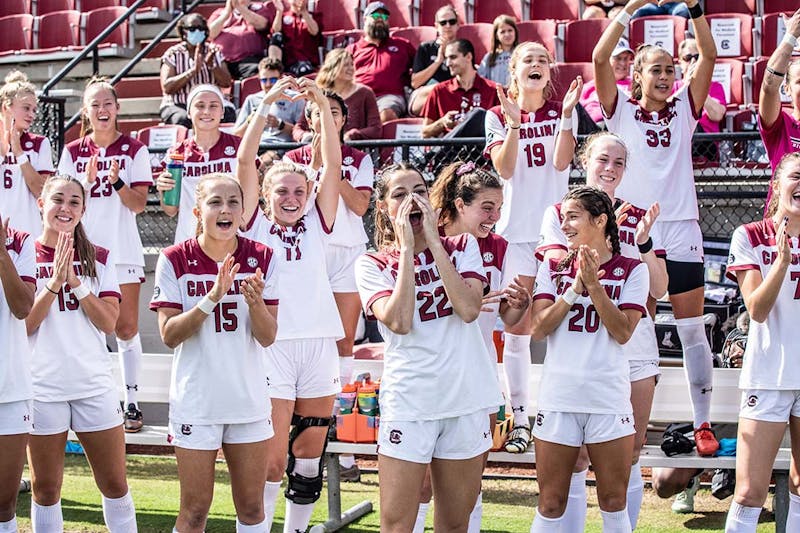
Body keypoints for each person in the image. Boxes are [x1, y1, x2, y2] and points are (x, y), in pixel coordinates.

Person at [593, 0, 721, 456]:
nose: (666, 76)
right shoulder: (621, 111)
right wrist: (629, 8)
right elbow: (599, 57)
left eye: (670, 69)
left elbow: (708, 55)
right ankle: (627, 418)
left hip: (681, 228)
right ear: (638, 75)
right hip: (634, 228)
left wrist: (696, 10)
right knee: (638, 327)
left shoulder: (685, 107)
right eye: (656, 70)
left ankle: (702, 423)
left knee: (692, 330)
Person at [355, 161, 503, 532]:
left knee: (454, 524)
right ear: (384, 208)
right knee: (396, 524)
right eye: (400, 194)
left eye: (419, 191)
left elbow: (468, 309)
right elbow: (399, 321)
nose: (412, 200)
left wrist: (434, 243)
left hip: (465, 400)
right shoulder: (371, 263)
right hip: (411, 402)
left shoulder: (462, 246)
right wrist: (407, 250)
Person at [537, 132, 668, 531]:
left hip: (616, 376)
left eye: (619, 162)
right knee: (552, 497)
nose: (610, 168)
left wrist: (638, 246)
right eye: (602, 160)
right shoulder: (556, 239)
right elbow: (539, 324)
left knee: (617, 488)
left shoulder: (634, 252)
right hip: (563, 388)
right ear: (584, 161)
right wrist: (577, 284)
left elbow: (649, 299)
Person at [237, 77, 343, 532]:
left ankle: (296, 530)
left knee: (308, 456)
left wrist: (319, 103)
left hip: (319, 343)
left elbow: (333, 164)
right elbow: (244, 160)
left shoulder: (319, 219)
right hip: (272, 345)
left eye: (299, 191)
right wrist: (265, 104)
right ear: (265, 195)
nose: (292, 198)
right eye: (282, 191)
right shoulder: (254, 224)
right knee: (271, 460)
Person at [151, 173, 279, 533]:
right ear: (197, 211)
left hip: (247, 400)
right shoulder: (174, 258)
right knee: (194, 511)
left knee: (252, 508)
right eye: (215, 202)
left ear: (243, 211)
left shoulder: (262, 256)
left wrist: (256, 304)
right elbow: (169, 335)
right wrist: (212, 298)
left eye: (233, 202)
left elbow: (267, 337)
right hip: (197, 402)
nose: (225, 209)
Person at [26, 175, 136, 532]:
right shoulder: (23, 255)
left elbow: (109, 322)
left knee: (115, 484)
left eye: (74, 202)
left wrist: (75, 282)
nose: (66, 208)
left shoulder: (99, 257)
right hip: (42, 387)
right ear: (41, 204)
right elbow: (24, 326)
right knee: (45, 489)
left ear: (83, 210)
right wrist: (53, 283)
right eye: (58, 199)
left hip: (93, 384)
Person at [484, 41, 579, 453]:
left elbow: (561, 163)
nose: (537, 64)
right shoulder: (496, 113)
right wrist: (514, 124)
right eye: (529, 59)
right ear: (514, 70)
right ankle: (520, 418)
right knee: (517, 329)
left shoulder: (562, 110)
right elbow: (504, 168)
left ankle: (560, 412)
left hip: (557, 233)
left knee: (563, 323)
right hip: (515, 235)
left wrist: (569, 115)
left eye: (543, 59)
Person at [428, 160, 530, 532]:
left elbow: (509, 318)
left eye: (499, 208)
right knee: (421, 483)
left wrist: (520, 304)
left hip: (479, 372)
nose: (495, 217)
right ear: (460, 204)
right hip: (429, 371)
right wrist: (464, 299)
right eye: (487, 208)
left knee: (470, 480)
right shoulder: (427, 238)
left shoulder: (500, 247)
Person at [284, 91, 374, 482]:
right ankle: (306, 431)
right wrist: (316, 165)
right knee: (310, 338)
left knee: (344, 341)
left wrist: (332, 169)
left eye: (332, 112)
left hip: (347, 252)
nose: (325, 118)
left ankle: (345, 437)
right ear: (309, 119)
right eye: (318, 112)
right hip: (310, 251)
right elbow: (295, 206)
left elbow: (360, 206)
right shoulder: (294, 158)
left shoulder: (358, 158)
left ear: (342, 119)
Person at [58, 78, 153, 433]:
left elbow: (139, 204)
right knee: (89, 327)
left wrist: (115, 182)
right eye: (95, 104)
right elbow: (64, 202)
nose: (102, 109)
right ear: (86, 111)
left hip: (122, 249)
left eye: (107, 103)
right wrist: (84, 182)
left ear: (117, 108)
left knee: (125, 327)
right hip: (84, 250)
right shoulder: (73, 151)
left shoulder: (134, 149)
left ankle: (132, 400)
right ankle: (97, 398)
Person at [723, 152, 800, 532]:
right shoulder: (751, 234)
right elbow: (756, 309)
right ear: (777, 183)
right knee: (750, 491)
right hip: (769, 375)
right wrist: (782, 263)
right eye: (796, 176)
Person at [157, 84, 243, 245]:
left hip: (233, 239)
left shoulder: (240, 147)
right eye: (200, 106)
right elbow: (170, 210)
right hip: (189, 240)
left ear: (222, 112)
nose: (206, 111)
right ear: (189, 112)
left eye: (213, 106)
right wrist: (163, 190)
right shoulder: (176, 153)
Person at [0, 208, 35, 533]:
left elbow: (23, 308)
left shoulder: (20, 241)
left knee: (4, 504)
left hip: (9, 388)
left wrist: (1, 253)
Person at [0, 71, 54, 238]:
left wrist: (19, 153)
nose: (32, 114)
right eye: (26, 108)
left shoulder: (40, 143)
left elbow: (42, 192)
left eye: (34, 109)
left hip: (28, 233)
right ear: (6, 107)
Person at [160, 12, 235, 128]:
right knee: (183, 119)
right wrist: (193, 71)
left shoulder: (214, 51)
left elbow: (226, 83)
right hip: (179, 104)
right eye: (192, 29)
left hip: (210, 103)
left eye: (200, 28)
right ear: (183, 32)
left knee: (227, 114)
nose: (197, 32)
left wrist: (212, 66)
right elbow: (167, 87)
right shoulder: (173, 53)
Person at [757, 8, 800, 208]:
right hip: (781, 221)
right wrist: (790, 36)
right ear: (787, 89)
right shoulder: (781, 124)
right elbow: (769, 85)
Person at [346, 1, 415, 122]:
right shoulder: (352, 49)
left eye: (384, 17)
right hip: (358, 97)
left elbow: (420, 68)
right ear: (365, 19)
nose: (380, 19)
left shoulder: (403, 45)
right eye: (376, 16)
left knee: (386, 114)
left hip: (389, 97)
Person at [293, 48, 381, 142]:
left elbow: (376, 129)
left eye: (352, 64)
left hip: (352, 148)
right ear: (332, 67)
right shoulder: (318, 93)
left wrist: (351, 136)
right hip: (319, 146)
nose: (351, 68)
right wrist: (305, 136)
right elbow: (299, 128)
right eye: (346, 65)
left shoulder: (365, 93)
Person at [422, 39, 498, 138]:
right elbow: (425, 133)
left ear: (468, 57)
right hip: (450, 147)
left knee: (479, 114)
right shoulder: (439, 90)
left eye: (453, 57)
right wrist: (442, 123)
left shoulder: (493, 90)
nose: (448, 63)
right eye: (446, 58)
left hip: (481, 146)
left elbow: (503, 127)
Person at [674, 38, 727, 163]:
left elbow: (717, 115)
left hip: (707, 148)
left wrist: (698, 87)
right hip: (679, 144)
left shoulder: (716, 87)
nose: (693, 62)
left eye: (697, 57)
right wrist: (686, 87)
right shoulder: (673, 87)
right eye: (688, 58)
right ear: (680, 63)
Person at [233, 58, 305, 145]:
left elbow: (303, 134)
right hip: (256, 147)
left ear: (281, 78)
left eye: (273, 80)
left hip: (283, 147)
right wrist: (250, 121)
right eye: (264, 80)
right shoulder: (251, 99)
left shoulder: (296, 98)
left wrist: (279, 124)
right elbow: (236, 135)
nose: (268, 84)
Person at [408, 5, 460, 117]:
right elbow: (415, 83)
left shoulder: (463, 49)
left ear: (458, 24)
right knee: (439, 89)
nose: (448, 26)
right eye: (443, 23)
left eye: (452, 22)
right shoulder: (426, 48)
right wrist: (438, 61)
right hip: (424, 96)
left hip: (453, 97)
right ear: (436, 26)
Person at [209, 0, 278, 79]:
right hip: (221, 61)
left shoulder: (259, 8)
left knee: (259, 72)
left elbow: (262, 25)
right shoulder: (219, 13)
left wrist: (240, 8)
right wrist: (226, 14)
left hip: (248, 60)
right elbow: (210, 34)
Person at [579, 38, 634, 126]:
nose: (623, 63)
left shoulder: (634, 85)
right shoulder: (589, 87)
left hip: (622, 126)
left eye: (626, 59)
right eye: (618, 58)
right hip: (592, 129)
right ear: (606, 60)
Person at [267, 0, 322, 76]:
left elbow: (314, 31)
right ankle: (275, 70)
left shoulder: (313, 16)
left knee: (303, 69)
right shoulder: (283, 17)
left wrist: (304, 12)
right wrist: (279, 12)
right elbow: (275, 33)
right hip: (289, 62)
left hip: (307, 62)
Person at [478, 15, 518, 87]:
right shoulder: (490, 57)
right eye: (502, 32)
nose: (507, 34)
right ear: (496, 36)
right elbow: (481, 79)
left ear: (515, 32)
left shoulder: (521, 54)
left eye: (510, 30)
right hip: (495, 92)